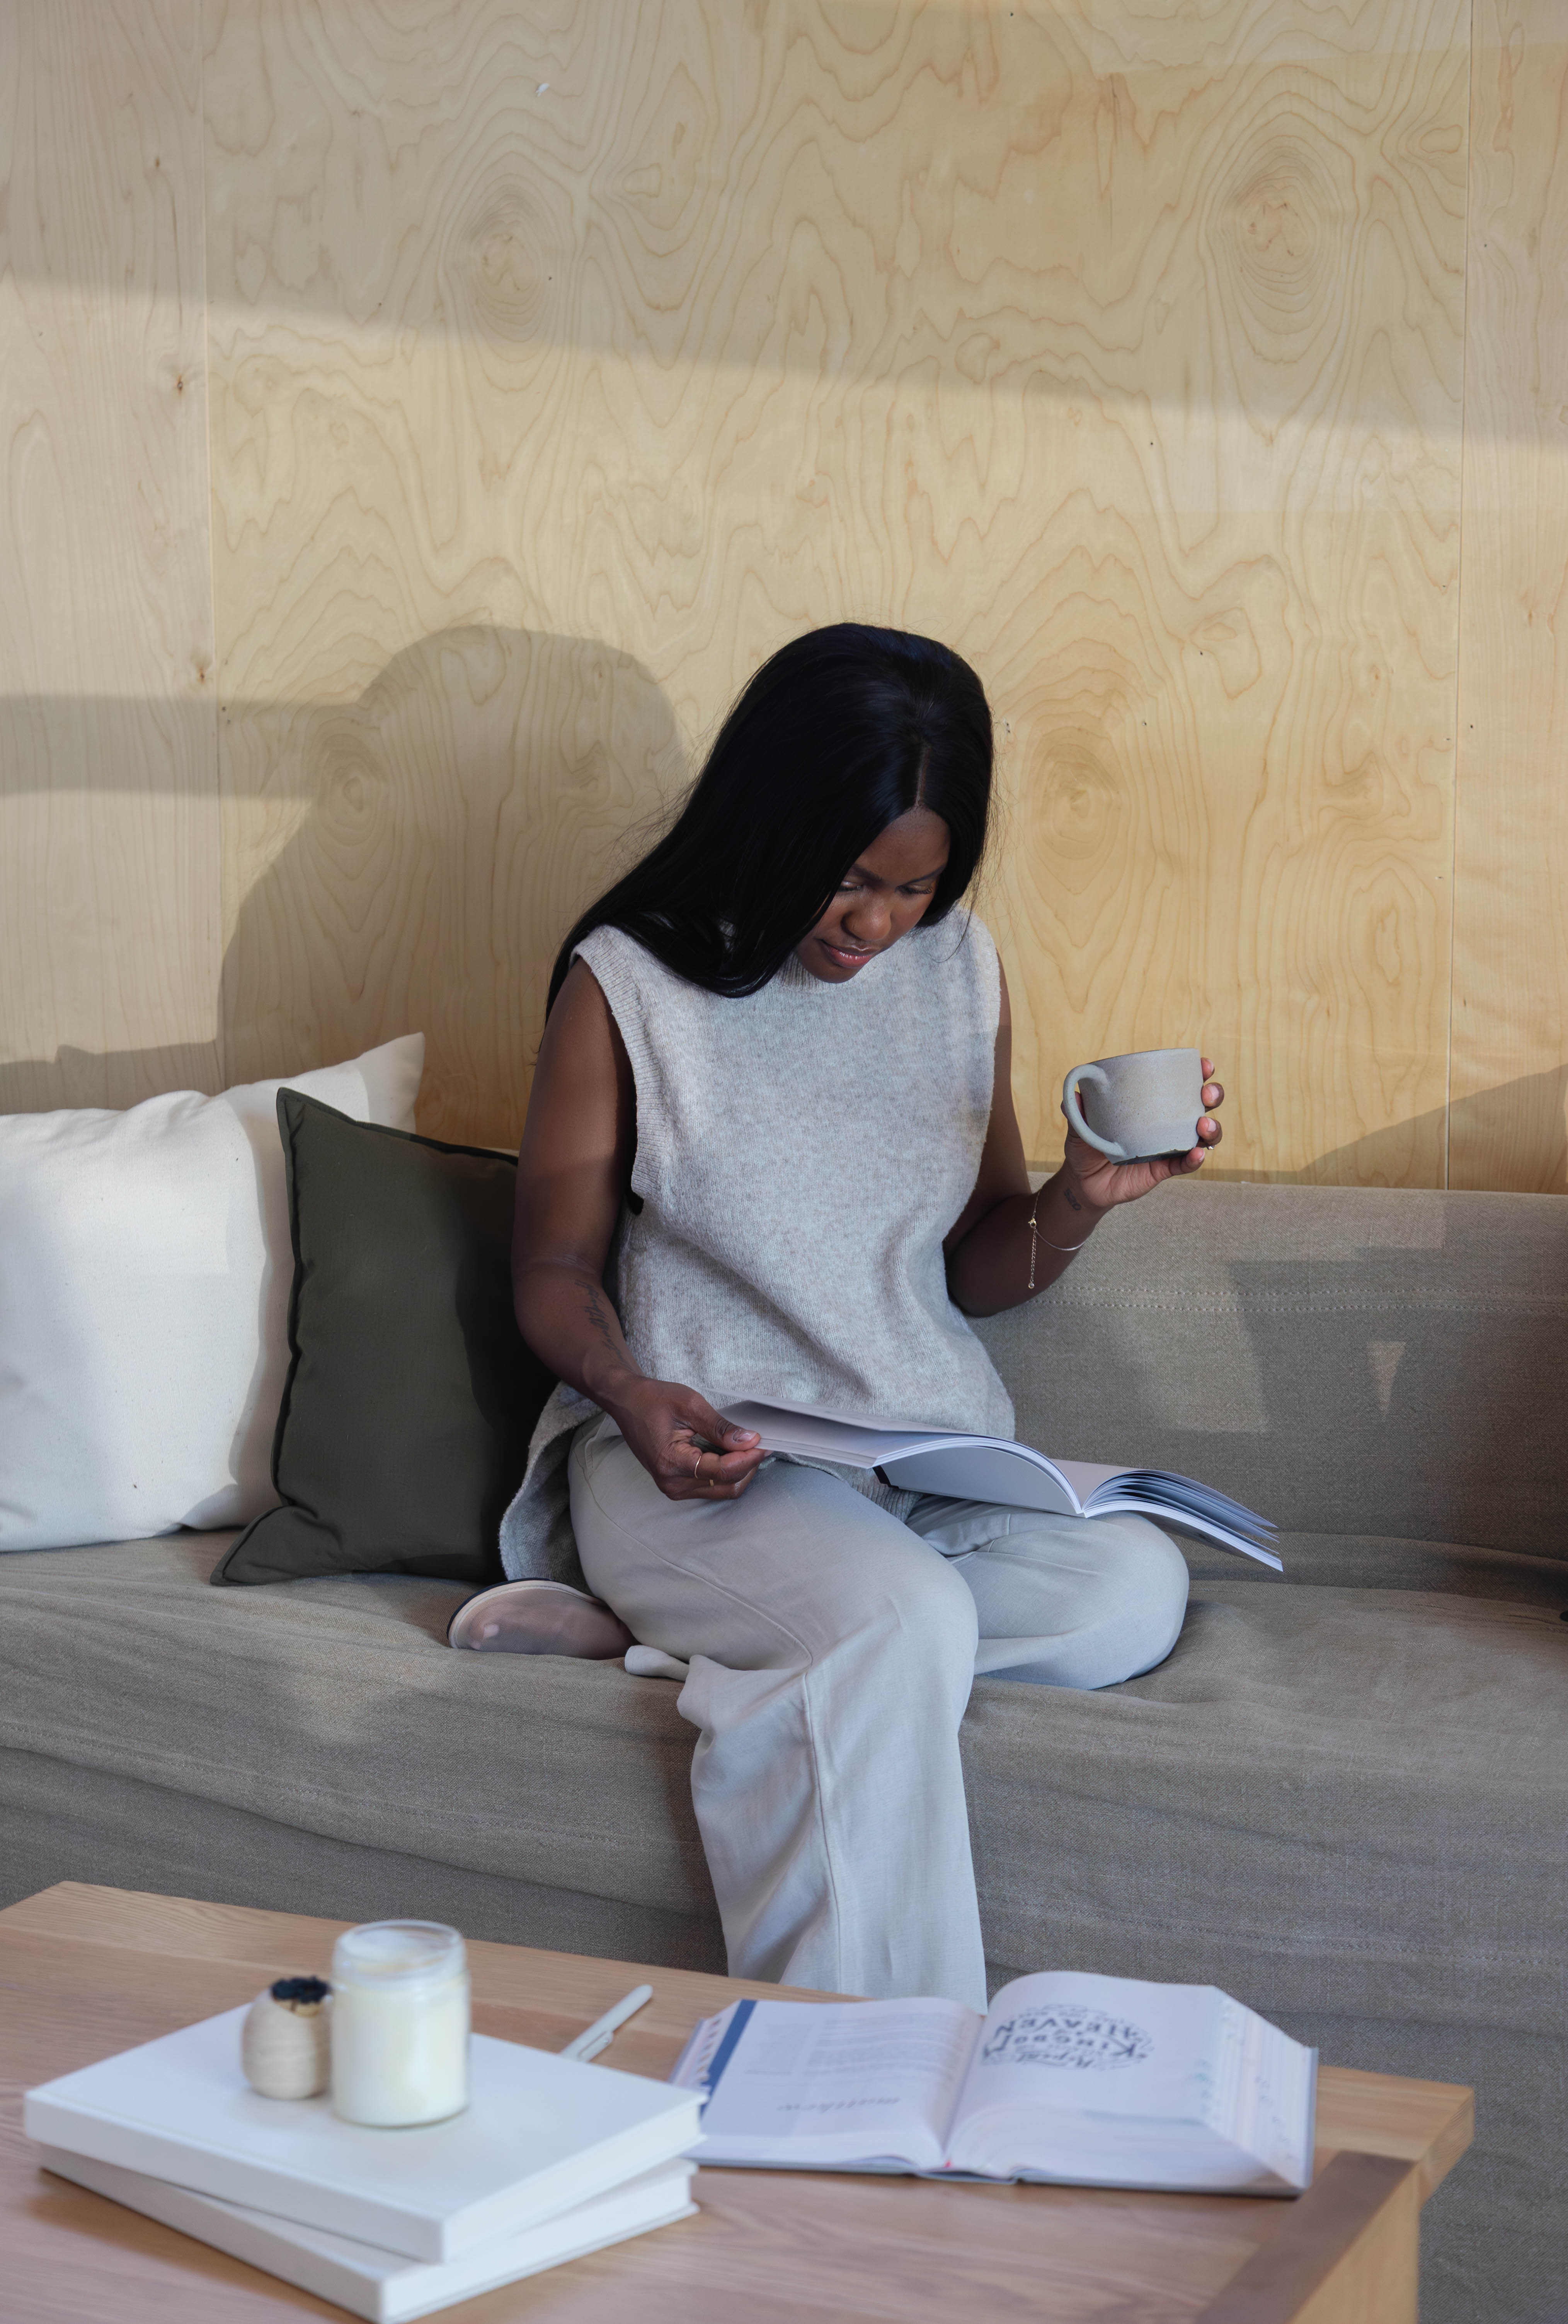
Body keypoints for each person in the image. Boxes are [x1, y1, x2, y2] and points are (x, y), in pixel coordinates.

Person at [484, 624, 1224, 2012]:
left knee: (1132, 1586)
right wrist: (630, 1393)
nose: (873, 922)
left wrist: (1079, 1196)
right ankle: (867, 2081)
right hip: (700, 1468)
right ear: (771, 824)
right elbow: (550, 1267)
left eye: (913, 887)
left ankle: (688, 1646)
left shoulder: (956, 970)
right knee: (897, 1623)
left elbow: (974, 1265)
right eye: (845, 877)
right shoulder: (629, 983)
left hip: (904, 1470)